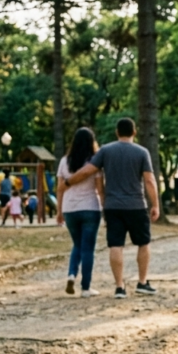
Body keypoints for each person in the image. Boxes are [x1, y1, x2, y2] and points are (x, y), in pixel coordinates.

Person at [65, 117, 160, 299]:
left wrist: (68, 182)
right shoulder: (142, 152)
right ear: (134, 132)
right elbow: (149, 180)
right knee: (143, 243)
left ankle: (119, 287)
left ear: (117, 132)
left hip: (113, 206)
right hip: (136, 205)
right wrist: (155, 204)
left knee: (116, 245)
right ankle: (142, 282)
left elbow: (87, 171)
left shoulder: (105, 151)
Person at [56, 127, 104, 297]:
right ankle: (85, 288)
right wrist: (105, 209)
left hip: (70, 209)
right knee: (88, 249)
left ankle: (71, 274)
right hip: (90, 208)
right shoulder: (93, 163)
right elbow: (99, 189)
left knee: (77, 244)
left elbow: (60, 189)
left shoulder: (64, 161)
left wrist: (59, 211)